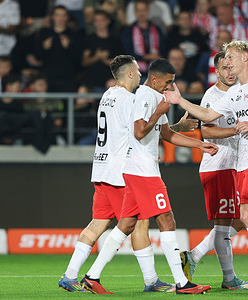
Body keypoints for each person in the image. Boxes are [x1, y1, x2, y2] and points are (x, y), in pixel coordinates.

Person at [58, 55, 198, 294]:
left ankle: (70, 275)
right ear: (130, 74)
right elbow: (140, 132)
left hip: (101, 169)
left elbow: (134, 130)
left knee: (98, 224)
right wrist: (168, 122)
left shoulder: (107, 96)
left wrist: (173, 128)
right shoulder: (130, 100)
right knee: (138, 222)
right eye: (138, 71)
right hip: (120, 171)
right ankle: (150, 280)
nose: (141, 75)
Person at [164, 40, 248, 290]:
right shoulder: (233, 93)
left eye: (231, 58)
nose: (228, 63)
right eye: (225, 61)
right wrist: (180, 101)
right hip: (240, 162)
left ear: (245, 57)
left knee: (246, 214)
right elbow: (207, 117)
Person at [34, 5, 83, 92]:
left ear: (67, 17)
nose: (60, 18)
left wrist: (69, 47)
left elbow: (79, 59)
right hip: (48, 78)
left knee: (67, 104)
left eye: (63, 15)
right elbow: (38, 56)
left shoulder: (75, 35)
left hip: (68, 78)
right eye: (58, 15)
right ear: (53, 17)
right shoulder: (44, 33)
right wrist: (44, 48)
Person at [121, 0, 166, 83]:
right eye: (138, 10)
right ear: (135, 12)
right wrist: (146, 57)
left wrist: (157, 57)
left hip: (156, 71)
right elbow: (127, 52)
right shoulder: (128, 31)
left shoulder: (157, 29)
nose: (141, 13)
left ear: (148, 11)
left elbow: (163, 49)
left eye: (144, 10)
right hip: (135, 73)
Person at [81, 9, 123, 93]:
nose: (99, 23)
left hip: (110, 79)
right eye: (96, 21)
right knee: (82, 92)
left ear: (108, 21)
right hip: (91, 80)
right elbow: (84, 62)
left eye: (102, 20)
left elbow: (121, 65)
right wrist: (97, 57)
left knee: (113, 86)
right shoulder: (89, 39)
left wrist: (106, 60)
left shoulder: (115, 40)